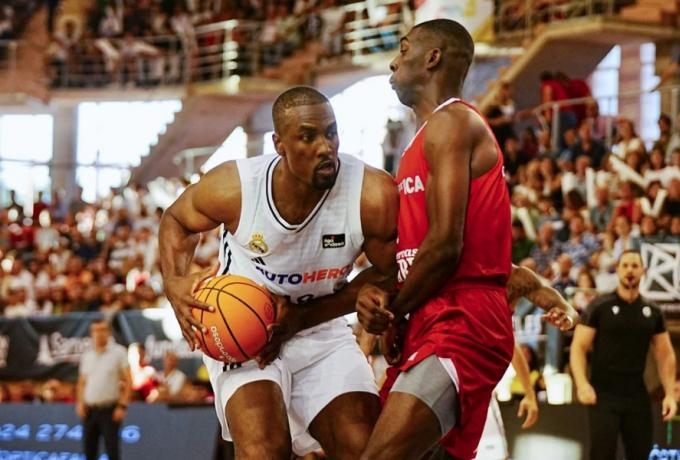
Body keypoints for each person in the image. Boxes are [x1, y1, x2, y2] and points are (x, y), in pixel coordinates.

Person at [355, 19, 560, 460]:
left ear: (432, 58)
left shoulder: (452, 122)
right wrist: (398, 310)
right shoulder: (422, 138)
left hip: (462, 317)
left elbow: (447, 245)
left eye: (404, 49)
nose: (393, 62)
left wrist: (394, 310)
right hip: (432, 312)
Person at [158, 86, 398, 459]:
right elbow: (177, 219)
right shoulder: (237, 187)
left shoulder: (370, 193)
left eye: (331, 132)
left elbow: (391, 270)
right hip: (245, 330)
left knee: (365, 449)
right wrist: (174, 282)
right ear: (279, 144)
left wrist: (304, 317)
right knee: (264, 450)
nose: (325, 147)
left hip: (320, 328)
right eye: (308, 136)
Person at [570, 249, 677, 460]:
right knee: (602, 455)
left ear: (643, 271)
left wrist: (670, 394)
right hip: (603, 396)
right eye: (625, 265)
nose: (630, 270)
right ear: (617, 270)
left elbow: (665, 355)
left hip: (637, 396)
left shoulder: (653, 312)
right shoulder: (599, 306)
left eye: (635, 266)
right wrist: (582, 384)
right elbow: (578, 347)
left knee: (640, 455)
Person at [76, 319, 131, 460]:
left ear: (109, 332)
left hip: (109, 410)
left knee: (112, 451)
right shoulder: (87, 355)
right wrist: (80, 402)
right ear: (91, 333)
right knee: (89, 452)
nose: (99, 334)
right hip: (89, 411)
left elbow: (128, 380)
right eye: (96, 330)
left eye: (102, 330)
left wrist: (122, 405)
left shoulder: (118, 352)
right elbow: (82, 382)